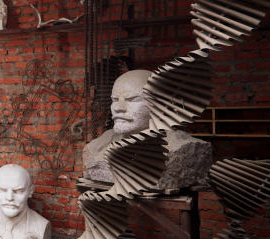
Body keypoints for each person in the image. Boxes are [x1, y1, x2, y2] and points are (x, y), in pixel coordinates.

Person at [82, 69, 211, 189]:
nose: (118, 108)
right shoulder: (97, 146)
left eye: (132, 100)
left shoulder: (181, 148)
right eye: (115, 100)